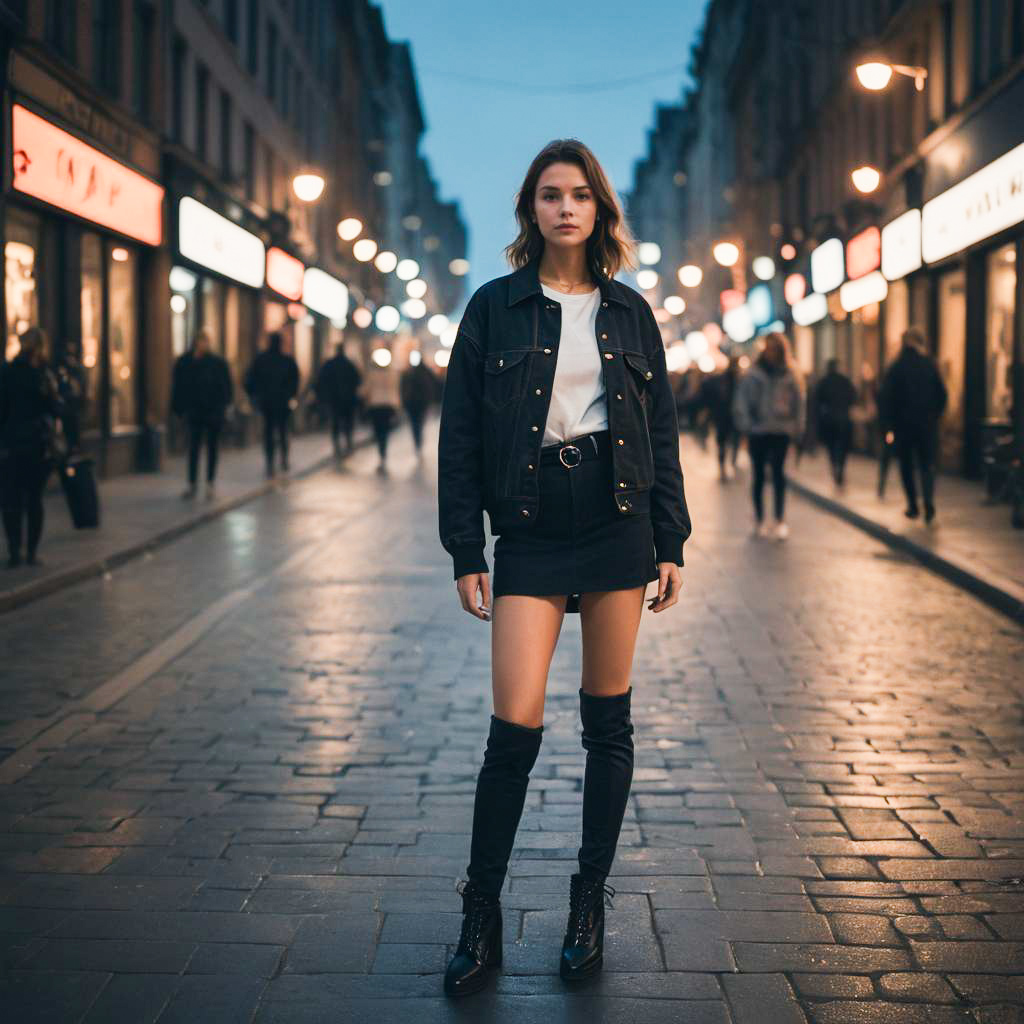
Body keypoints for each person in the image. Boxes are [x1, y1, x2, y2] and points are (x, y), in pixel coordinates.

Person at [437, 139, 691, 996]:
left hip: (616, 521)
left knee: (606, 721)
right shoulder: (494, 309)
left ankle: (588, 905)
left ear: (600, 209)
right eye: (551, 195)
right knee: (513, 730)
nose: (566, 208)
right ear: (530, 209)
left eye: (580, 194)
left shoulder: (629, 313)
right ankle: (481, 915)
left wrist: (671, 539)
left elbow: (660, 433)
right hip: (535, 525)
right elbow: (461, 438)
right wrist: (467, 549)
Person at [0, 327, 63, 568]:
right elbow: (55, 408)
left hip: (15, 444)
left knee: (14, 500)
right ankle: (28, 553)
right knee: (31, 500)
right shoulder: (42, 374)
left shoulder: (10, 371)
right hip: (33, 444)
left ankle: (17, 552)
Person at [732, 331, 805, 540]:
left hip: (781, 431)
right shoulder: (753, 374)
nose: (771, 352)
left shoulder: (791, 374)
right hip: (758, 432)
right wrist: (746, 425)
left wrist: (798, 428)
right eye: (769, 347)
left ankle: (780, 519)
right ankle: (759, 518)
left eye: (775, 348)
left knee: (780, 476)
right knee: (759, 476)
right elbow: (741, 401)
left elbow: (799, 403)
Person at [878, 326, 947, 522]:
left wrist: (888, 426)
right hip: (927, 425)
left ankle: (913, 505)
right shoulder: (930, 364)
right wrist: (934, 416)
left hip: (903, 426)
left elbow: (886, 399)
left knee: (906, 465)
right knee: (927, 464)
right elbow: (942, 395)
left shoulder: (896, 367)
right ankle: (928, 501)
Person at [171, 328, 233, 499]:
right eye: (201, 341)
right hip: (194, 412)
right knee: (193, 448)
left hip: (213, 412)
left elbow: (226, 387)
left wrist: (224, 406)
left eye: (206, 341)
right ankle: (192, 484)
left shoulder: (217, 363)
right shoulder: (185, 362)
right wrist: (178, 409)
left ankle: (210, 483)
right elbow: (178, 387)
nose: (203, 344)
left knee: (212, 448)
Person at [245, 332, 299, 477]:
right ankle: (283, 459)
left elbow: (250, 380)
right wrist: (291, 396)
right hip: (281, 403)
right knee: (282, 431)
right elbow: (295, 381)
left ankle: (271, 462)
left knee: (269, 432)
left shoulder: (262, 359)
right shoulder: (287, 360)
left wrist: (255, 397)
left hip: (267, 403)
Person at [314, 342, 362, 460]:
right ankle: (348, 442)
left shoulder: (330, 364)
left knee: (335, 422)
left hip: (334, 399)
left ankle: (337, 445)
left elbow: (321, 380)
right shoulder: (349, 365)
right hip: (347, 399)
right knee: (347, 422)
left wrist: (324, 396)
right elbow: (358, 380)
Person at [694, 357, 740, 480]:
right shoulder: (727, 380)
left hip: (727, 416)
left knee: (728, 442)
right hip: (725, 416)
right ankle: (725, 466)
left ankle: (728, 464)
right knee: (725, 442)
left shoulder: (736, 380)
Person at [814, 358, 857, 486]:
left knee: (831, 446)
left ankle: (835, 466)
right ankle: (840, 468)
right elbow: (853, 397)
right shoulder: (845, 381)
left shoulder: (823, 382)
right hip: (844, 418)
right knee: (843, 446)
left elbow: (818, 401)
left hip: (829, 419)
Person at [359, 355, 401, 473]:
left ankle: (381, 453)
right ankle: (383, 452)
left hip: (376, 405)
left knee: (378, 431)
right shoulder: (392, 374)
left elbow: (365, 390)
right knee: (385, 431)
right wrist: (397, 407)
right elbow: (395, 390)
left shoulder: (372, 374)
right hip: (388, 406)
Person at [399, 357, 439, 458]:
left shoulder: (408, 373)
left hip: (412, 403)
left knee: (415, 424)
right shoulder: (424, 373)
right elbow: (432, 386)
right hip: (421, 403)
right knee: (419, 423)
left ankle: (417, 441)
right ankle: (419, 441)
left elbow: (403, 387)